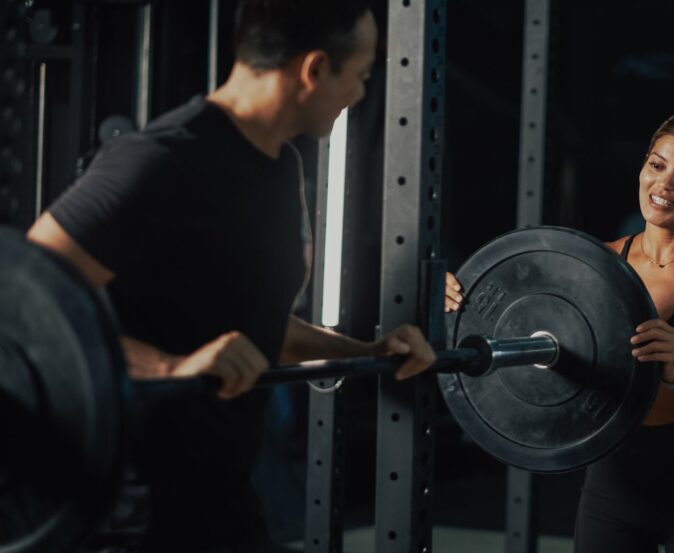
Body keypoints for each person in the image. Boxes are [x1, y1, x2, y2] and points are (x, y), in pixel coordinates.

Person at [26, 1, 437, 551]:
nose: (360, 95)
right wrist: (170, 365)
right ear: (314, 69)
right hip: (124, 513)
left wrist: (367, 351)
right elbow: (23, 308)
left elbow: (258, 324)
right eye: (360, 75)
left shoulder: (277, 167)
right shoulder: (160, 160)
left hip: (219, 499)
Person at [447, 111, 674, 553]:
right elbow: (526, 317)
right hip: (613, 483)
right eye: (656, 165)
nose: (664, 185)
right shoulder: (597, 261)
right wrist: (464, 296)